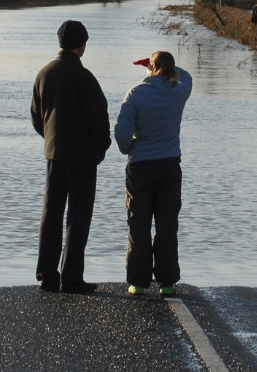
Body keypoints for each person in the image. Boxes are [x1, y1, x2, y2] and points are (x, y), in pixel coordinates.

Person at [31, 20, 111, 294]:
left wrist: (51, 140)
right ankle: (72, 276)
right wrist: (102, 147)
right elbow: (98, 119)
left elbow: (36, 117)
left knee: (51, 212)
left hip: (54, 154)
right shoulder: (84, 77)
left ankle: (48, 274)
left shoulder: (44, 74)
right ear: (82, 45)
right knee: (78, 216)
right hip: (83, 158)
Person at [113, 50, 192, 297]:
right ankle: (167, 282)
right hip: (169, 165)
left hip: (141, 166)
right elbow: (187, 76)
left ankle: (138, 281)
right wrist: (163, 68)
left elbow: (122, 134)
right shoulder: (179, 92)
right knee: (167, 224)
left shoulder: (135, 94)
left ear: (152, 67)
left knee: (139, 223)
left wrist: (130, 148)